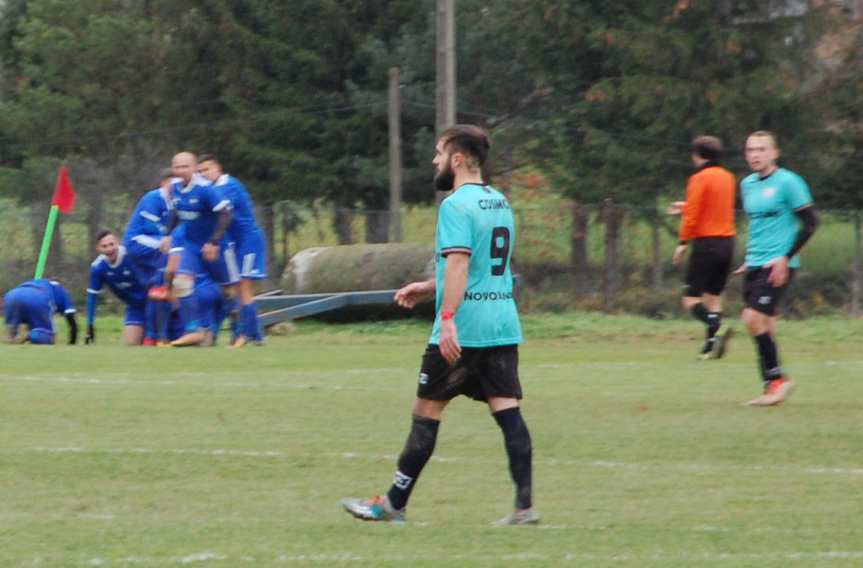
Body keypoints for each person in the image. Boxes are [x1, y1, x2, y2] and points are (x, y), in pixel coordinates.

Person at [341, 124, 537, 526]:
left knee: (426, 411)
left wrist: (446, 318)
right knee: (508, 412)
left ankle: (393, 504)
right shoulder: (498, 201)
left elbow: (462, 263)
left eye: (438, 153)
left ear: (458, 158)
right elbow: (481, 267)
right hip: (500, 323)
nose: (435, 161)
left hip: (464, 327)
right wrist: (431, 286)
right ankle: (524, 508)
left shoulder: (455, 205)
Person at [737, 131, 817, 406]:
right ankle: (774, 386)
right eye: (750, 150)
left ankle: (777, 382)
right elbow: (759, 227)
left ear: (774, 153)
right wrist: (749, 259)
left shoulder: (789, 182)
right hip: (755, 263)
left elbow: (811, 224)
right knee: (765, 324)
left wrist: (785, 257)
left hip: (779, 264)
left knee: (751, 318)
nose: (755, 154)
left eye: (761, 149)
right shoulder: (747, 184)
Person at [669, 136, 736, 359]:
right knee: (713, 298)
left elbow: (694, 216)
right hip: (727, 243)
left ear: (698, 155)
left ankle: (717, 327)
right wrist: (686, 206)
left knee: (690, 299)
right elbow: (712, 206)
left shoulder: (699, 178)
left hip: (707, 243)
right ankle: (710, 348)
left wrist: (682, 243)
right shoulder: (728, 178)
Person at [164, 151, 235, 346]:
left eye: (185, 166)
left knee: (229, 291)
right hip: (192, 246)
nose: (180, 170)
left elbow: (226, 214)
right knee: (181, 284)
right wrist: (168, 236)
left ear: (195, 168)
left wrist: (213, 242)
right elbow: (176, 214)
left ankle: (237, 332)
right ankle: (194, 330)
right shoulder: (174, 189)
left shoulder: (205, 189)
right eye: (177, 167)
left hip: (217, 246)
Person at [198, 154, 267, 347]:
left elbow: (221, 213)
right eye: (201, 171)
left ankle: (244, 335)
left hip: (249, 240)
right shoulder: (212, 188)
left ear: (218, 168)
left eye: (207, 169)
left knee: (243, 287)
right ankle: (257, 336)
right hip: (234, 243)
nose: (204, 174)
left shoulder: (228, 185)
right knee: (236, 287)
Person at [85, 230, 151, 345]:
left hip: (154, 303)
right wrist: (90, 324)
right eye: (104, 246)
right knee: (131, 344)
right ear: (98, 248)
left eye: (112, 244)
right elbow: (92, 298)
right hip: (135, 307)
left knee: (158, 342)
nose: (109, 249)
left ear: (118, 243)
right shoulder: (98, 267)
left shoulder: (131, 255)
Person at [3, 278, 78, 345]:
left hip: (11, 295)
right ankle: (30, 336)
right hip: (39, 297)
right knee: (50, 337)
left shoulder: (38, 282)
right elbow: (71, 318)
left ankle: (12, 337)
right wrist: (72, 342)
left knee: (12, 329)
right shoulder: (62, 290)